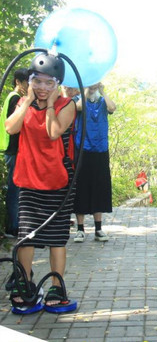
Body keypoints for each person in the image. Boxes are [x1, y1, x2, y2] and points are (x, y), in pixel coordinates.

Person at [5, 53, 76, 310]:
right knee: (26, 237)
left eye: (49, 83)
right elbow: (10, 128)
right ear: (30, 80)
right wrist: (27, 103)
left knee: (56, 238)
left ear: (58, 83)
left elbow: (53, 132)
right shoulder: (24, 102)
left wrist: (48, 105)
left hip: (58, 180)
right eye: (38, 81)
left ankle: (57, 287)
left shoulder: (66, 105)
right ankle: (26, 282)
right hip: (28, 180)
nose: (43, 88)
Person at [73, 82, 116, 243]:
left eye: (95, 84)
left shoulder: (103, 101)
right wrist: (85, 90)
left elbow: (113, 108)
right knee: (81, 187)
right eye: (91, 84)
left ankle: (98, 228)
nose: (93, 87)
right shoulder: (79, 99)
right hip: (83, 149)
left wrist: (103, 90)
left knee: (99, 187)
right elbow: (77, 108)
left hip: (101, 149)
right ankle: (80, 229)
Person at [0, 68, 29, 238]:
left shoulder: (12, 97)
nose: (28, 86)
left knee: (15, 188)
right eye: (26, 82)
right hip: (14, 150)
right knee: (15, 189)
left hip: (11, 149)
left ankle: (14, 225)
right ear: (18, 81)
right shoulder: (16, 99)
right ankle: (14, 227)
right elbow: (14, 126)